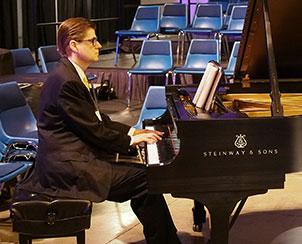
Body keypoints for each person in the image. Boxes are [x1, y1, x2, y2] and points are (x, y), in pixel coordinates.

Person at [18, 17, 181, 244]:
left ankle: (164, 240)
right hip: (69, 168)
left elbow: (98, 119)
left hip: (73, 158)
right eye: (92, 41)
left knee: (143, 176)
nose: (98, 45)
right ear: (74, 45)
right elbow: (94, 131)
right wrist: (129, 141)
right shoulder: (67, 82)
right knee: (145, 180)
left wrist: (133, 133)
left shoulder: (71, 74)